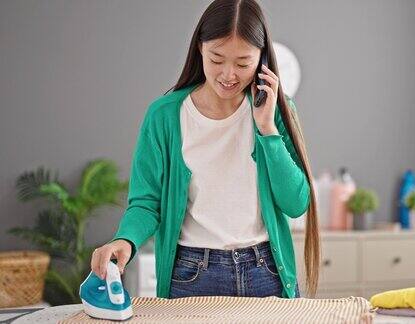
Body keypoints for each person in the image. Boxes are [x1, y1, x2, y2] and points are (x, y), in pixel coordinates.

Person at [90, 0, 319, 299]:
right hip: (192, 275)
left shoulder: (278, 110)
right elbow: (146, 202)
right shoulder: (165, 116)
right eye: (217, 58)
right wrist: (126, 240)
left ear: (262, 59)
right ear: (200, 48)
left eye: (242, 63)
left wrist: (267, 130)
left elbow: (296, 203)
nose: (228, 75)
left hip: (267, 272)